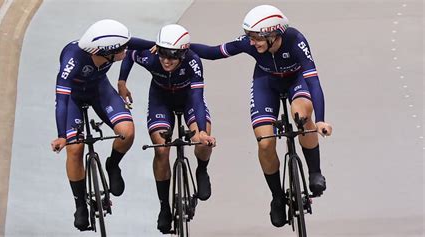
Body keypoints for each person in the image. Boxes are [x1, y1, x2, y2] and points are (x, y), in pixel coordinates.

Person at [189, 5, 333, 228]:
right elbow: (213, 52)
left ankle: (315, 171)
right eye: (250, 37)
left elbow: (313, 81)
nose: (252, 43)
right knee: (265, 143)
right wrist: (180, 48)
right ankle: (277, 198)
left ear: (272, 34)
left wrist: (321, 119)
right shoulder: (250, 43)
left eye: (256, 38)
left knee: (301, 116)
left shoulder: (296, 40)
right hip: (266, 83)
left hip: (296, 81)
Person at [50, 19, 155, 231]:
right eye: (122, 48)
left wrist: (161, 45)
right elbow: (61, 101)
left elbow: (133, 42)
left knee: (127, 132)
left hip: (99, 90)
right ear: (106, 51)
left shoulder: (108, 48)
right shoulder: (72, 60)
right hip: (73, 99)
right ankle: (80, 204)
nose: (127, 49)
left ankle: (112, 165)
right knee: (75, 148)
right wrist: (62, 135)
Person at [118, 24, 216, 234]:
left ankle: (202, 169)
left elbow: (198, 99)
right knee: (161, 150)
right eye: (163, 54)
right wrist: (122, 81)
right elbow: (128, 52)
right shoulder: (150, 56)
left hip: (189, 99)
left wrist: (202, 131)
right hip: (160, 100)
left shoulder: (193, 61)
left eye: (172, 56)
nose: (166, 60)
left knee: (202, 138)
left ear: (183, 53)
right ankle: (164, 207)